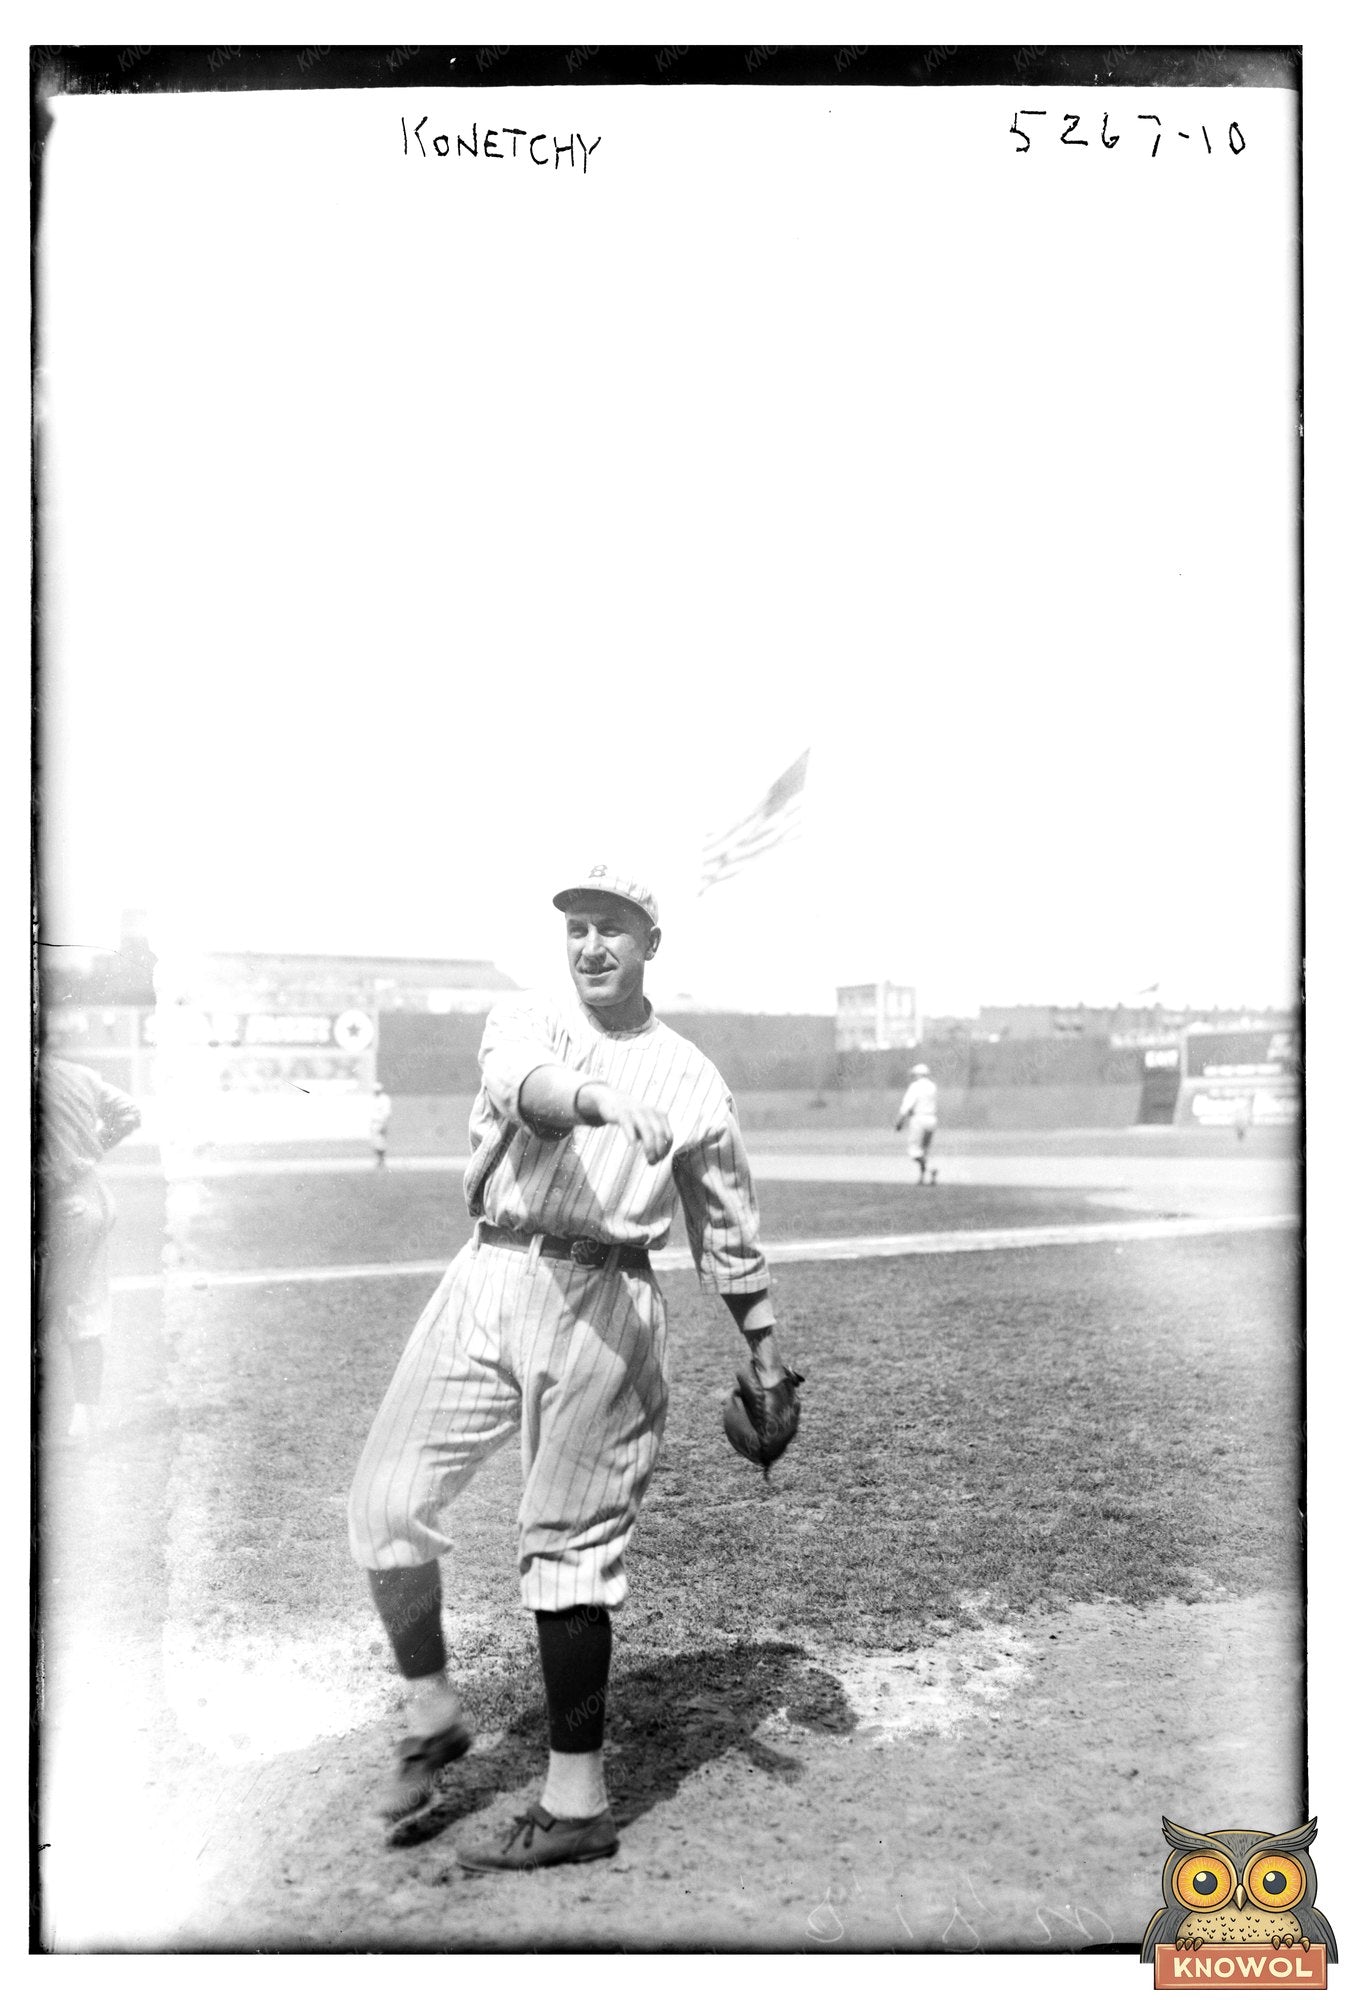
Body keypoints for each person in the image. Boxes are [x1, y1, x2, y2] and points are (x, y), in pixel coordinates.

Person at [348, 864, 793, 1870]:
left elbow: (726, 1227)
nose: (592, 945)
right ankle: (431, 1713)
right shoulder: (526, 1019)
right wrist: (598, 1098)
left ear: (651, 944)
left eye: (614, 928)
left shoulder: (694, 1079)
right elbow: (527, 1091)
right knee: (384, 1501)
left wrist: (764, 1347)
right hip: (489, 1270)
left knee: (569, 1547)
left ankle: (577, 1799)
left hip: (608, 1297)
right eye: (579, 927)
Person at [36, 1055, 143, 1439]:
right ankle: (85, 1419)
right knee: (86, 1309)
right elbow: (129, 1112)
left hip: (56, 1203)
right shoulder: (75, 1072)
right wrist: (91, 1149)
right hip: (93, 1194)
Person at [895, 1061, 939, 1185]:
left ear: (918, 1074)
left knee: (914, 1151)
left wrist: (899, 1121)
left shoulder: (915, 1086)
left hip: (919, 1119)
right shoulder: (932, 1087)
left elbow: (907, 1105)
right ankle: (922, 1178)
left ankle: (931, 1168)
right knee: (924, 1151)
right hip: (931, 1120)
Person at [370, 1082, 393, 1169]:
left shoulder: (384, 1099)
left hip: (380, 1122)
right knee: (375, 1142)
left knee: (381, 1142)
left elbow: (386, 1113)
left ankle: (381, 1160)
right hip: (374, 1123)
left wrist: (384, 1125)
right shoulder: (373, 1099)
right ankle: (379, 1160)